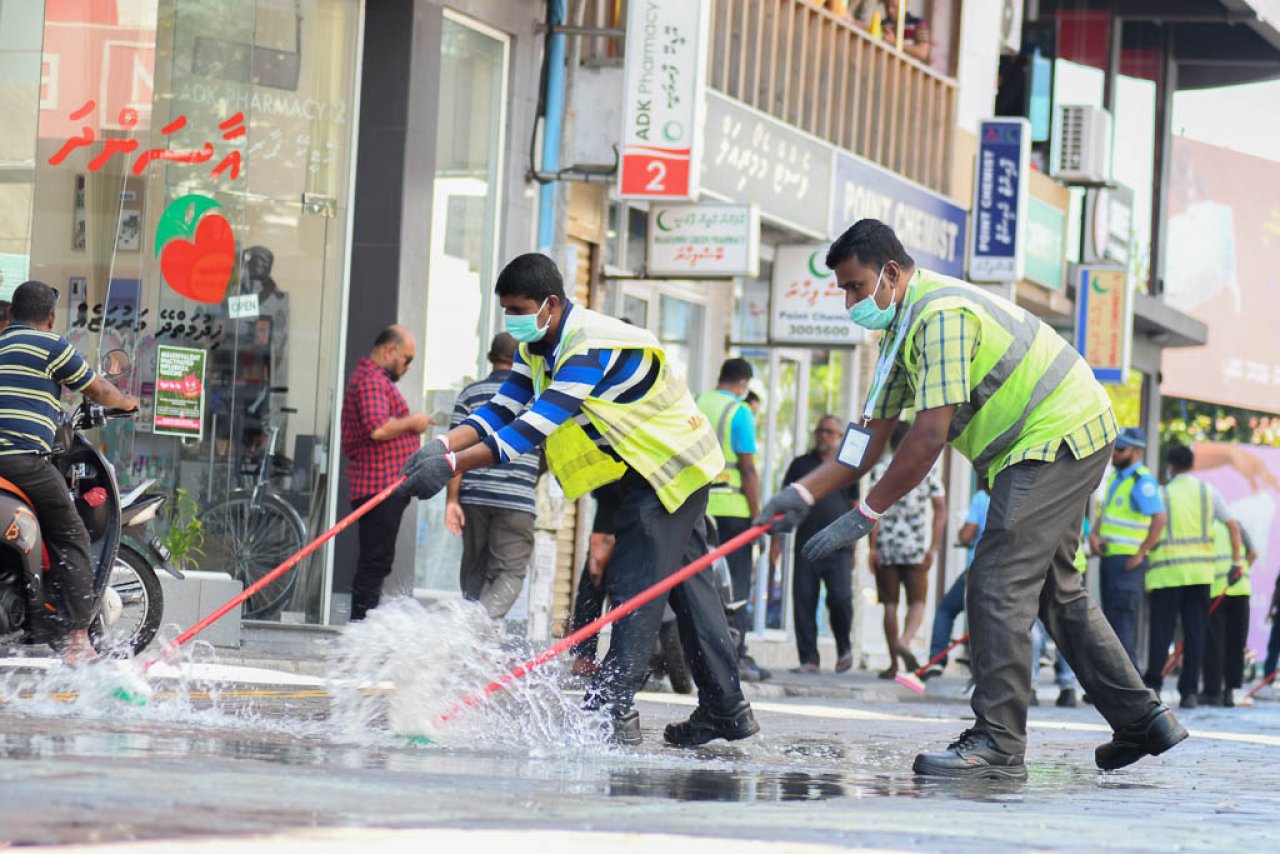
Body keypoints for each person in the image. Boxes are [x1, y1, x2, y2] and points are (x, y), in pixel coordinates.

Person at [758, 219, 1185, 780]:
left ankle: (999, 743)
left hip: (1056, 435)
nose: (850, 302)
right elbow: (866, 441)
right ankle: (1143, 719)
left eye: (856, 287)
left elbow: (929, 437)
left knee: (997, 580)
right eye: (842, 290)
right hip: (1043, 444)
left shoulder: (941, 317)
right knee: (1056, 592)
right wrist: (799, 492)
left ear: (890, 272)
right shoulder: (898, 333)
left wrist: (867, 512)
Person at [398, 253, 755, 748]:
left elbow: (529, 428)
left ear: (550, 303)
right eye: (506, 311)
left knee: (635, 587)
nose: (513, 320)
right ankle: (726, 708)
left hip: (669, 471)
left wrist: (453, 467)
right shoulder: (537, 345)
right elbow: (501, 408)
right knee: (690, 590)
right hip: (638, 472)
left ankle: (612, 707)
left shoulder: (587, 348)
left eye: (520, 309)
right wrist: (439, 447)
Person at [0, 281, 139, 664]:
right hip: (22, 460)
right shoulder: (52, 346)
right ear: (50, 317)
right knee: (72, 533)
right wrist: (126, 401)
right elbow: (97, 389)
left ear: (11, 314)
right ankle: (77, 637)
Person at [446, 333, 541, 619]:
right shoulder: (536, 399)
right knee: (509, 572)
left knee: (475, 571)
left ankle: (474, 643)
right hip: (517, 500)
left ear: (490, 357)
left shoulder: (470, 395)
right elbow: (549, 453)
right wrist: (528, 477)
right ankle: (478, 630)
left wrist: (452, 500)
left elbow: (454, 450)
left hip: (473, 496)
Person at [340, 325, 429, 621]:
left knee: (377, 561)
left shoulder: (373, 380)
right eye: (407, 359)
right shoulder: (371, 381)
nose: (406, 367)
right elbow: (378, 427)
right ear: (389, 351)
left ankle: (362, 624)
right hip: (378, 487)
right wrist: (413, 422)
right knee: (375, 561)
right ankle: (361, 627)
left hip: (383, 486)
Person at [1143, 444, 1243, 708]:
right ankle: (1189, 693)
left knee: (1161, 632)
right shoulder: (1208, 492)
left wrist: (1141, 553)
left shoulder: (1163, 494)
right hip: (1200, 574)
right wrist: (1236, 561)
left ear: (1171, 466)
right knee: (1195, 632)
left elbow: (1153, 528)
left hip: (1167, 573)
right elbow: (1233, 526)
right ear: (1192, 465)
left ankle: (1154, 686)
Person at [696, 359, 766, 681]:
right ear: (744, 384)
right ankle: (735, 655)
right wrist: (758, 517)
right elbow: (748, 469)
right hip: (733, 511)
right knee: (736, 587)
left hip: (697, 507)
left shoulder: (696, 403)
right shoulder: (740, 413)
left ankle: (695, 651)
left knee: (699, 582)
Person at [772, 415, 858, 673]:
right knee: (804, 600)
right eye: (821, 431)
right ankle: (809, 659)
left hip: (839, 547)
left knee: (841, 599)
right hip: (806, 546)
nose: (825, 436)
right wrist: (776, 543)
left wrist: (857, 547)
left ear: (841, 438)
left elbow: (856, 507)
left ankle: (844, 648)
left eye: (831, 432)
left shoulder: (848, 466)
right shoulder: (800, 465)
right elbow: (784, 503)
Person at [867, 421, 945, 678]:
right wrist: (933, 547)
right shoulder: (926, 469)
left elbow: (872, 511)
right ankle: (906, 640)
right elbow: (940, 509)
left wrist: (872, 547)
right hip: (916, 548)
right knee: (918, 601)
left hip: (886, 547)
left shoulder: (881, 470)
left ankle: (892, 664)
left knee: (889, 604)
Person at [1089, 428, 1167, 665]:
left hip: (1127, 562)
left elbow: (1160, 518)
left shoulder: (1142, 481)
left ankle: (1130, 687)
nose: (1114, 454)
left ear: (1137, 452)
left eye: (1120, 449)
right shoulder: (1116, 478)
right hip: (1110, 559)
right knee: (1112, 623)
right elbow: (1108, 514)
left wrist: (1142, 553)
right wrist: (1094, 535)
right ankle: (1115, 685)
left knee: (1122, 623)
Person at [921, 486, 989, 680]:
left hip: (980, 569)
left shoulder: (982, 498)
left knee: (946, 610)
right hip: (1013, 571)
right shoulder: (1024, 494)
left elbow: (966, 536)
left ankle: (936, 659)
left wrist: (963, 530)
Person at [1200, 521, 1257, 707]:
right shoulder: (1238, 525)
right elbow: (1253, 553)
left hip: (1217, 589)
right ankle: (1230, 692)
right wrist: (1242, 567)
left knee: (1215, 644)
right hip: (1241, 589)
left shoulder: (1207, 526)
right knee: (1236, 644)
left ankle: (1213, 691)